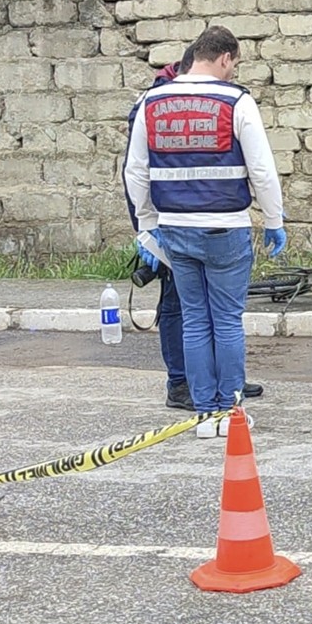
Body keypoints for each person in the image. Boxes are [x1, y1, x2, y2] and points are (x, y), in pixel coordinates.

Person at [123, 25, 286, 439]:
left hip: (175, 229)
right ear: (225, 58)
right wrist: (274, 220)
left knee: (195, 320)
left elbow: (135, 170)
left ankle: (203, 416)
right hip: (225, 228)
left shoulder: (151, 100)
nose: (234, 72)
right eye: (235, 64)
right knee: (227, 321)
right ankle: (230, 413)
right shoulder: (236, 101)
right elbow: (263, 171)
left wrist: (147, 225)